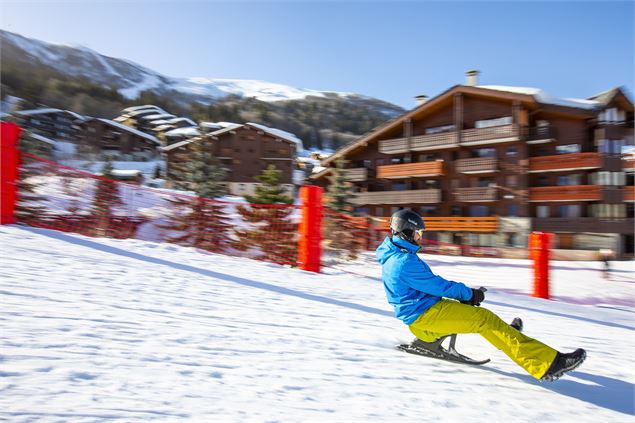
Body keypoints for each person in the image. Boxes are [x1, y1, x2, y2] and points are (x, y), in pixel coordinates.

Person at [375, 209, 586, 381]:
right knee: (484, 319)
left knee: (482, 317)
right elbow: (438, 286)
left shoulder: (395, 255)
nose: (421, 237)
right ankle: (547, 364)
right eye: (418, 232)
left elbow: (432, 288)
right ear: (407, 231)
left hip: (423, 314)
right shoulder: (403, 262)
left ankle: (505, 333)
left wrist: (467, 296)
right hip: (425, 318)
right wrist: (470, 294)